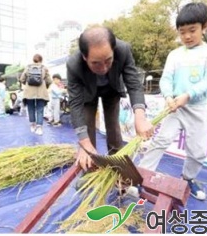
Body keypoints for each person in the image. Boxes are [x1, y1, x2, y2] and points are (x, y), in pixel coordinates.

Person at [135, 2, 207, 200]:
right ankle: (140, 177)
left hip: (196, 108)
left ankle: (187, 179)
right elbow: (166, 79)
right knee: (160, 141)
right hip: (174, 108)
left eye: (192, 30)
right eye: (182, 32)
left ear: (205, 27)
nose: (187, 36)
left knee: (198, 151)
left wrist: (188, 95)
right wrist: (168, 96)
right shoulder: (175, 55)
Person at [66, 26, 154, 171]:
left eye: (108, 60)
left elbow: (133, 83)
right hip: (88, 93)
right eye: (96, 63)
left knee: (113, 127)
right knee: (87, 133)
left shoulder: (123, 49)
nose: (103, 68)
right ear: (84, 57)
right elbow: (75, 103)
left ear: (114, 50)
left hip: (111, 89)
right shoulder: (73, 64)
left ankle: (117, 168)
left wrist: (140, 117)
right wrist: (84, 142)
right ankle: (90, 169)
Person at [20, 54, 51, 136]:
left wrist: (27, 84)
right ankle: (39, 128)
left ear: (33, 60)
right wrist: (45, 85)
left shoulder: (28, 67)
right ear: (41, 60)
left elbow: (22, 79)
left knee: (31, 108)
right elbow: (49, 81)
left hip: (29, 92)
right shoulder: (44, 68)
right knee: (40, 109)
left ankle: (33, 125)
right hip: (41, 92)